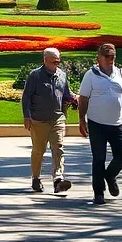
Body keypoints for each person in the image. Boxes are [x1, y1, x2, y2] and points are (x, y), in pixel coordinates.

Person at [78, 42, 122, 205]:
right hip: (97, 124)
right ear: (99, 58)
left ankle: (110, 175)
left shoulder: (120, 73)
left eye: (113, 57)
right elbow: (83, 98)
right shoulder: (91, 75)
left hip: (117, 123)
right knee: (99, 158)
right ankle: (98, 193)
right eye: (108, 57)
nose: (111, 60)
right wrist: (81, 119)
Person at [21, 47, 76, 193]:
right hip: (39, 120)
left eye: (58, 62)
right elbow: (26, 96)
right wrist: (27, 116)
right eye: (54, 62)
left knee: (58, 148)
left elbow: (66, 94)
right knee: (39, 151)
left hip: (57, 118)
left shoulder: (62, 75)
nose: (57, 65)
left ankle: (58, 179)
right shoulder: (35, 76)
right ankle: (36, 178)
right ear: (45, 61)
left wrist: (74, 100)